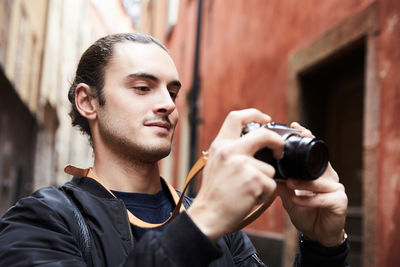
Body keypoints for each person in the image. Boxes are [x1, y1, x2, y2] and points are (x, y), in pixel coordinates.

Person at [0, 33, 349, 266]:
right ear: (88, 102)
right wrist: (203, 223)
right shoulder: (43, 221)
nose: (167, 104)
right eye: (142, 87)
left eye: (173, 92)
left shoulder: (223, 228)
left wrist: (323, 247)